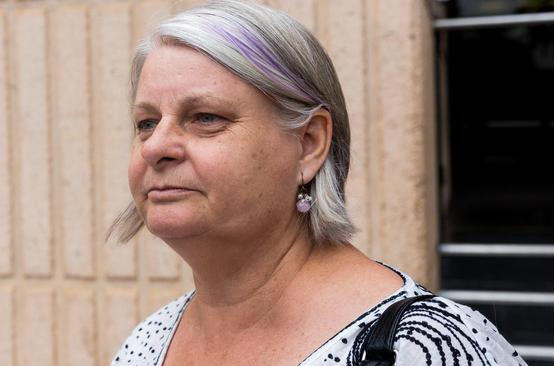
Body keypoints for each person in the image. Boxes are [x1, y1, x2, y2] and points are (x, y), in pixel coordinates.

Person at [108, 1, 526, 365]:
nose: (154, 147)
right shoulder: (148, 343)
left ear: (309, 144)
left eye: (206, 118)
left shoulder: (421, 348)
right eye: (146, 123)